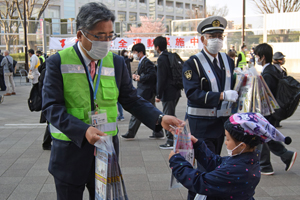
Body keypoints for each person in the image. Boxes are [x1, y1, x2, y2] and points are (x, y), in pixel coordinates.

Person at [42, 3, 182, 199]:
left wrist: (159, 118)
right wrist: (83, 131)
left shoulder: (115, 62)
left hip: (106, 152)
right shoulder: (58, 62)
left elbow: (131, 99)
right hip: (70, 154)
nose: (105, 42)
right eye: (99, 36)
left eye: (110, 36)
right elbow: (51, 107)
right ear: (80, 35)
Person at [169, 112, 293, 200]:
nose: (226, 142)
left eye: (228, 139)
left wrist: (176, 162)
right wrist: (197, 144)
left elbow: (200, 182)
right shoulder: (246, 159)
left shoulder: (237, 169)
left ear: (242, 145)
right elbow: (215, 162)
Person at [182, 16, 237, 199]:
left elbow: (233, 88)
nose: (217, 40)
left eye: (220, 36)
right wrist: (220, 96)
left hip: (222, 125)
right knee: (205, 171)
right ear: (202, 39)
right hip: (201, 126)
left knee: (215, 168)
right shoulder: (193, 63)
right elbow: (192, 94)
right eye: (212, 36)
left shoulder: (228, 61)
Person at [254, 43, 297, 175]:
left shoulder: (267, 73)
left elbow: (267, 94)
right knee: (265, 136)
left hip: (268, 110)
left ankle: (267, 164)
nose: (255, 58)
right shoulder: (275, 69)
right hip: (273, 110)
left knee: (263, 136)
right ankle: (277, 159)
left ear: (262, 57)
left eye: (256, 56)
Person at [121, 43, 164, 140]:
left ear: (140, 52)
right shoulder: (142, 61)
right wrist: (136, 76)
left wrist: (141, 78)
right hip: (146, 91)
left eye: (135, 52)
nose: (134, 54)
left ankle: (131, 132)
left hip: (146, 91)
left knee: (137, 110)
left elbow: (152, 75)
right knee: (153, 113)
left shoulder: (147, 62)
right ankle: (158, 132)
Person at [154, 36, 181, 149]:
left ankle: (170, 141)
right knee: (171, 115)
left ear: (157, 47)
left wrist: (158, 94)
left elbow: (161, 78)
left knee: (168, 116)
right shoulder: (171, 55)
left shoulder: (161, 59)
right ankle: (175, 138)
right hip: (176, 91)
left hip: (168, 92)